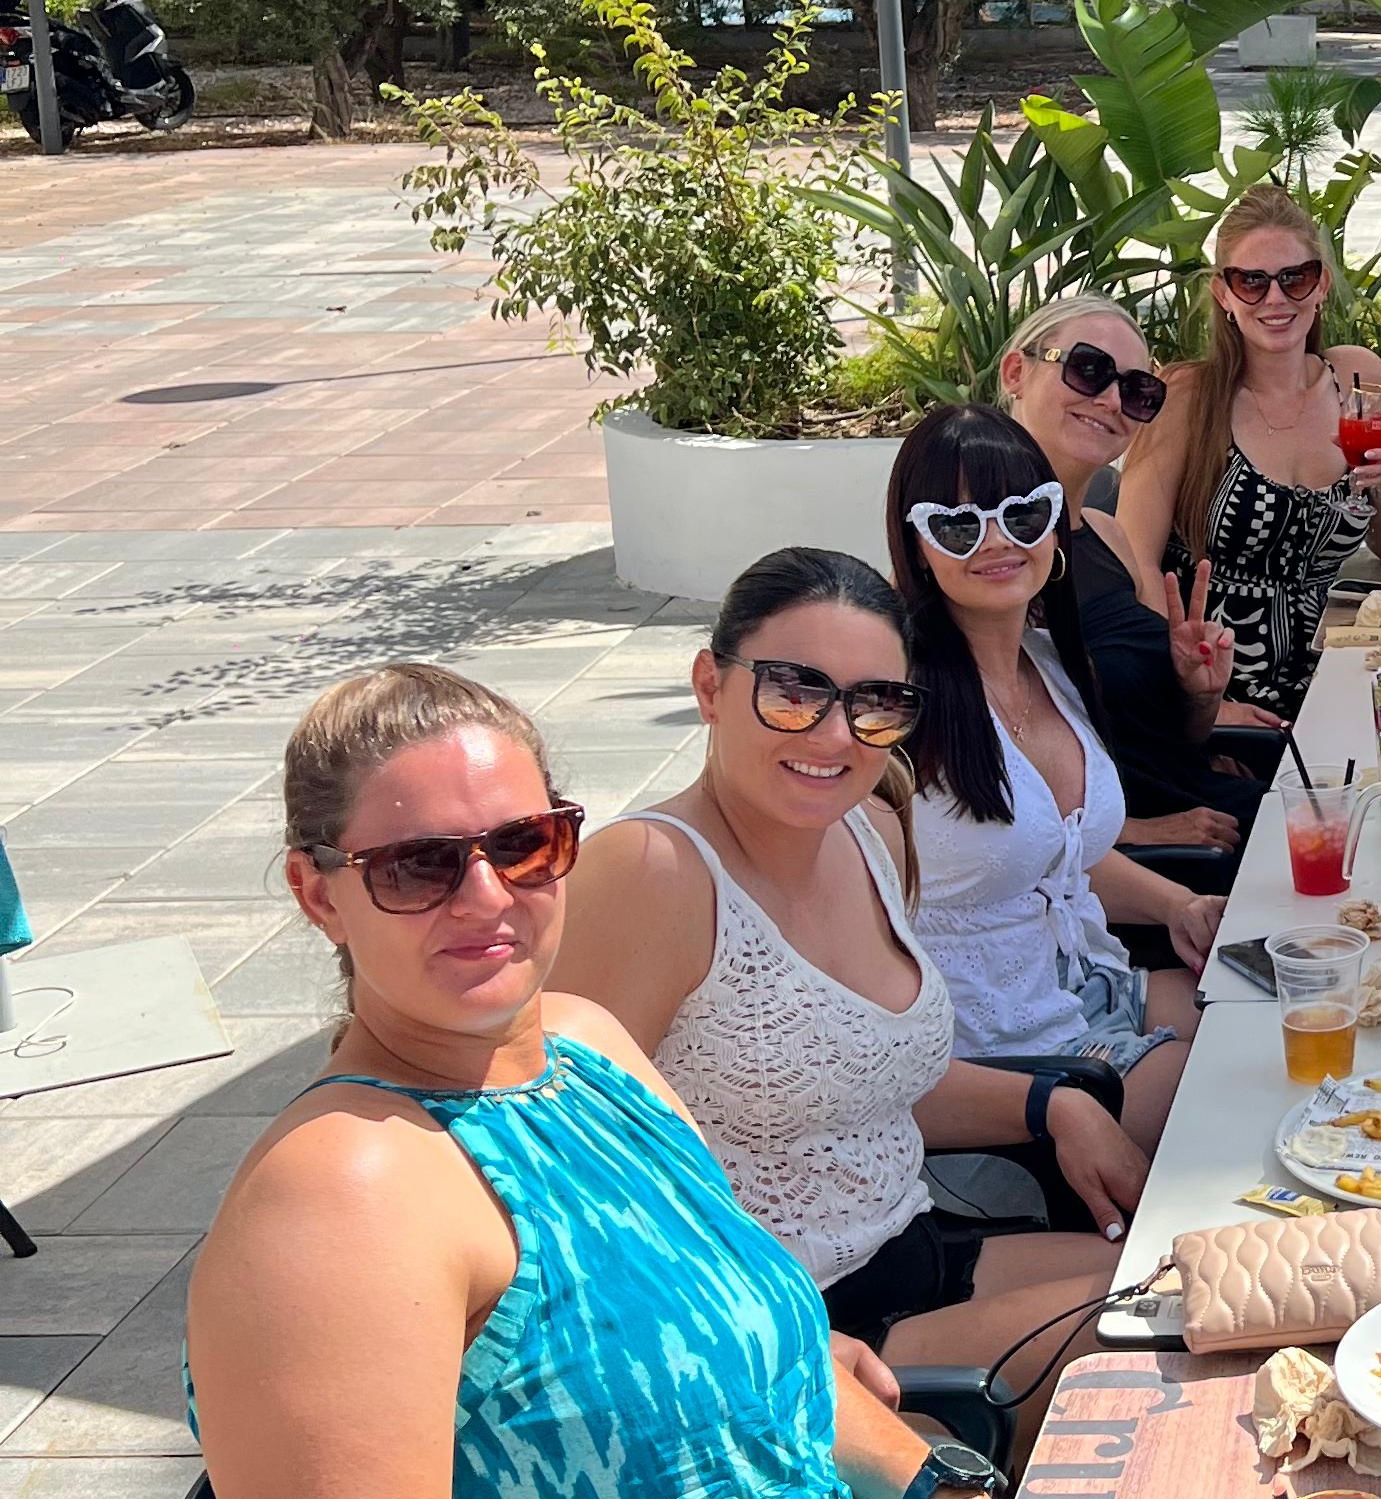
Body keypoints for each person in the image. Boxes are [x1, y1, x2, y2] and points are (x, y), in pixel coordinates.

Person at [187, 664, 950, 1498]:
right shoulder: (344, 1195)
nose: (486, 897)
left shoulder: (589, 1046)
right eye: (415, 866)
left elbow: (776, 1376)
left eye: (524, 845)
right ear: (318, 894)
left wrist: (951, 1487)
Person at [554, 548, 1138, 1443]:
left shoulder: (869, 831)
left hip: (922, 1253)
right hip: (801, 1338)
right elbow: (564, 1178)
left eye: (876, 703)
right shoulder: (651, 874)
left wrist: (1052, 1103)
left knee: (1197, 1274)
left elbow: (865, 1071)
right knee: (1164, 1333)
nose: (834, 735)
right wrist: (754, 1344)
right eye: (794, 690)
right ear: (710, 685)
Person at [892, 404, 1221, 1152]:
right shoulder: (898, 707)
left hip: (1086, 988)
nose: (998, 540)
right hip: (1004, 1054)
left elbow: (1054, 855)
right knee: (1245, 1084)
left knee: (1293, 995)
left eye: (1024, 512)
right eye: (957, 524)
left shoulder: (1047, 663)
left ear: (1057, 525)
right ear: (916, 545)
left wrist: (1181, 904)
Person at [1116, 185, 1381, 720]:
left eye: (1293, 278)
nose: (1275, 300)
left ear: (1320, 284)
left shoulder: (1357, 376)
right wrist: (1203, 703)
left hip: (1338, 675)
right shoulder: (1188, 395)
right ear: (1223, 294)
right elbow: (1135, 564)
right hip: (1218, 685)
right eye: (1250, 282)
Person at [996, 293, 1268, 852]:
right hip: (1126, 857)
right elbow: (968, 752)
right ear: (1017, 371)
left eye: (1138, 389)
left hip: (1196, 807)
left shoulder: (1108, 536)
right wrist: (1130, 834)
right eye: (1088, 369)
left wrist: (1199, 694)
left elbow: (1162, 736)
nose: (1111, 399)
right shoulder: (984, 549)